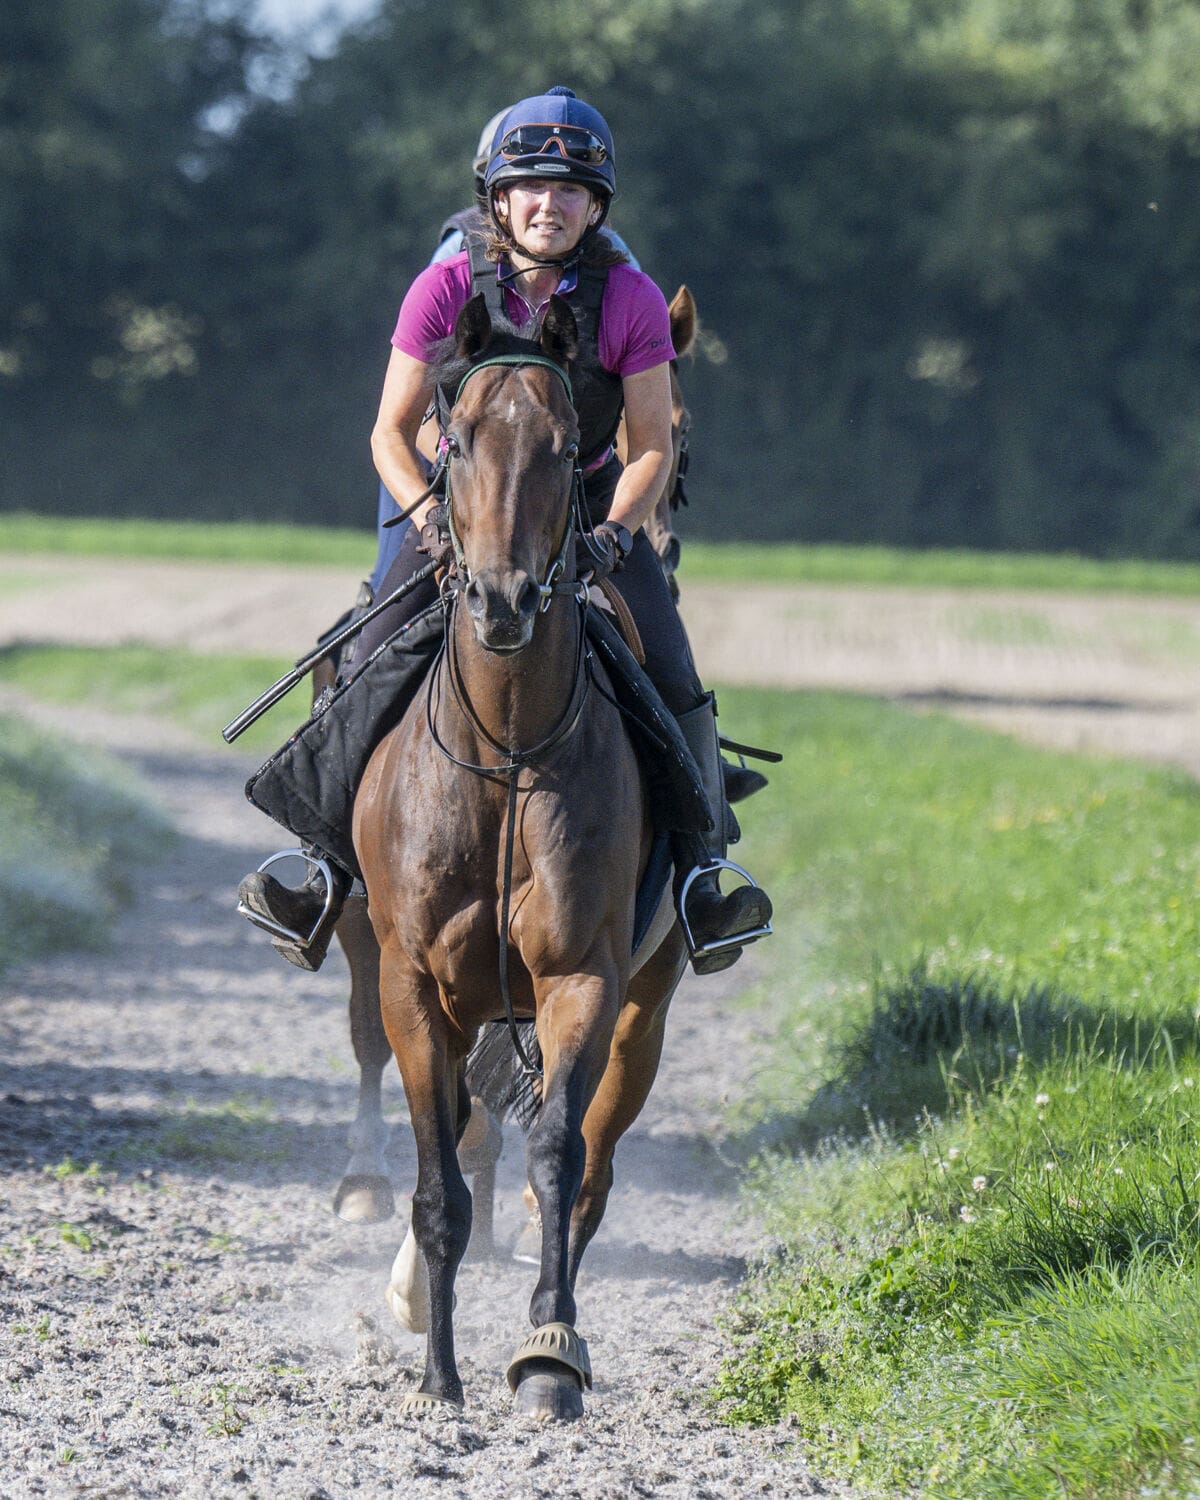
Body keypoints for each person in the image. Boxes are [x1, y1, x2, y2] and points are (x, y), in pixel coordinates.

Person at [238, 86, 772, 975]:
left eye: (571, 192)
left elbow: (650, 446)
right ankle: (324, 873)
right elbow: (389, 431)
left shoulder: (631, 299)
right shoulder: (445, 287)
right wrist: (429, 522)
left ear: (595, 207)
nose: (550, 205)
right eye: (532, 187)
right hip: (461, 509)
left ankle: (700, 881)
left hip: (587, 508)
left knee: (674, 670)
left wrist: (611, 535)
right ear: (498, 198)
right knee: (368, 650)